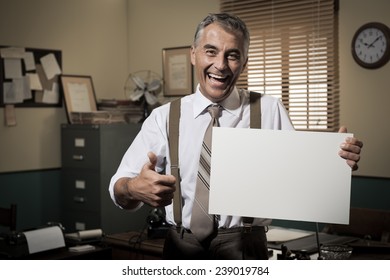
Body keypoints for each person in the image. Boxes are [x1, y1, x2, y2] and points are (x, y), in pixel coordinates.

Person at [109, 13, 363, 260]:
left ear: (244, 63)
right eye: (211, 51)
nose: (220, 65)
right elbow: (119, 188)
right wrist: (133, 188)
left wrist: (335, 166)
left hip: (246, 245)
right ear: (193, 54)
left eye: (232, 55)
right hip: (180, 246)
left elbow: (301, 181)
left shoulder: (269, 110)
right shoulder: (162, 117)